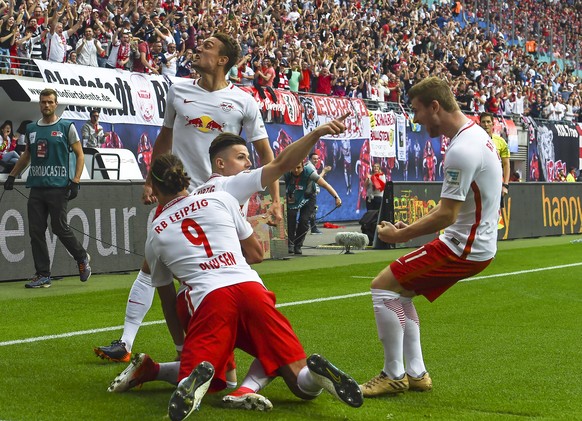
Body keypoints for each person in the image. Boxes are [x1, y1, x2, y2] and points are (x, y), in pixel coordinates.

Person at [107, 117, 350, 412]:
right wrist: (316, 134)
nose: (249, 164)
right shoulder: (225, 193)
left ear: (155, 188)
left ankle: (171, 372)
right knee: (286, 368)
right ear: (218, 164)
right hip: (247, 287)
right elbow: (280, 167)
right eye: (242, 157)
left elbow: (161, 291)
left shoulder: (159, 226)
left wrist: (182, 348)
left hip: (202, 297)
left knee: (220, 374)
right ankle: (308, 378)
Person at [94, 32, 282, 365]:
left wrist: (276, 200)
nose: (199, 48)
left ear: (223, 59)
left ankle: (258, 345)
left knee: (232, 272)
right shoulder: (178, 90)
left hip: (221, 196)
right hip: (179, 193)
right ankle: (130, 342)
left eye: (208, 46)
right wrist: (152, 180)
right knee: (152, 268)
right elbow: (163, 139)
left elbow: (267, 154)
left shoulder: (244, 101)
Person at [359, 77, 502, 397]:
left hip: (464, 246)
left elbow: (447, 214)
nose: (416, 119)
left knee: (382, 286)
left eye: (418, 110)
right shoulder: (475, 135)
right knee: (401, 293)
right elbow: (450, 210)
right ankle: (416, 373)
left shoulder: (463, 149)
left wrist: (400, 234)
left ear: (435, 106)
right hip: (474, 243)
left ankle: (393, 374)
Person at [3, 88, 92, 288]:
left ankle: (82, 258)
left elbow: (79, 154)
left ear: (56, 103)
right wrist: (12, 175)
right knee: (36, 231)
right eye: (43, 102)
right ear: (39, 104)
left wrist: (76, 180)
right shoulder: (32, 128)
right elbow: (27, 155)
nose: (46, 105)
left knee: (59, 227)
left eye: (50, 102)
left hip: (59, 187)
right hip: (37, 186)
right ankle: (43, 274)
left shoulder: (66, 126)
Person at [284, 160, 341, 255]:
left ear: (303, 166)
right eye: (293, 168)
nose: (296, 170)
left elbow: (325, 185)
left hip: (308, 197)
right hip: (293, 198)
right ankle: (290, 244)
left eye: (298, 167)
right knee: (290, 218)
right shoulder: (286, 174)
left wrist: (336, 197)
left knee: (304, 220)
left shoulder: (309, 172)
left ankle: (298, 245)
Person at [479, 112, 510, 201]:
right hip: (478, 184)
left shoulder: (501, 142)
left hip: (496, 185)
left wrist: (505, 185)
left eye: (488, 122)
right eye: (483, 122)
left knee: (495, 214)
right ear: (479, 124)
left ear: (493, 124)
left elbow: (506, 164)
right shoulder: (473, 141)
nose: (486, 124)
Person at [305, 152, 330, 234]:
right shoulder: (310, 167)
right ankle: (313, 229)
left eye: (317, 159)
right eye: (314, 159)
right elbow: (318, 179)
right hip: (310, 193)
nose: (316, 160)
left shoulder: (310, 166)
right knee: (311, 211)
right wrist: (324, 171)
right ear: (310, 159)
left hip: (309, 192)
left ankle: (312, 228)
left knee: (311, 211)